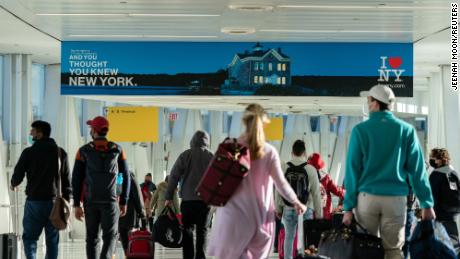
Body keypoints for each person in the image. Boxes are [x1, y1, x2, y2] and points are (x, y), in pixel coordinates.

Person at [342, 84, 436, 259]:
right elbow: (417, 171)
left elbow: (352, 171)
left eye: (369, 100)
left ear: (376, 104)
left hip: (367, 198)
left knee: (365, 248)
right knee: (393, 250)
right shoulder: (406, 130)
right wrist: (426, 203)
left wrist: (347, 207)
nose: (368, 104)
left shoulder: (360, 131)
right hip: (396, 200)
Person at [207, 103, 307, 259]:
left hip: (230, 217)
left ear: (244, 122)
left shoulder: (230, 147)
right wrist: (296, 202)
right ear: (264, 124)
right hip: (257, 219)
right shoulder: (268, 152)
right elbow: (280, 184)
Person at [72, 116, 131, 259]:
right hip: (111, 201)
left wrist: (76, 204)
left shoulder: (83, 151)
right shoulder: (117, 150)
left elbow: (76, 179)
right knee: (110, 237)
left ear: (94, 130)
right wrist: (123, 201)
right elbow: (124, 176)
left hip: (90, 201)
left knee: (92, 238)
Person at [10, 121, 71, 259]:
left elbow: (18, 175)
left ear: (40, 134)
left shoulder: (29, 152)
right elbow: (67, 180)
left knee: (30, 238)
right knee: (52, 240)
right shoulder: (60, 153)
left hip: (34, 203)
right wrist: (66, 202)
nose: (30, 133)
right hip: (54, 203)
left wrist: (13, 183)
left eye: (33, 131)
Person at [165, 130, 214, 259]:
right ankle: (200, 257)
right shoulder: (212, 156)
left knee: (187, 230)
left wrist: (168, 196)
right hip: (205, 201)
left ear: (192, 141)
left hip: (188, 200)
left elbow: (173, 176)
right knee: (202, 231)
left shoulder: (185, 155)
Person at [275, 140, 323, 259]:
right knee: (306, 239)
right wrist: (319, 214)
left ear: (292, 152)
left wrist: (278, 208)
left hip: (288, 208)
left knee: (289, 237)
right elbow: (316, 194)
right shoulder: (311, 169)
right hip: (306, 209)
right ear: (304, 153)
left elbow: (278, 190)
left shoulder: (284, 167)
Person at [429, 148, 460, 253]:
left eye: (432, 157)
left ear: (439, 160)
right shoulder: (454, 173)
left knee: (439, 246)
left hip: (439, 216)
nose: (430, 159)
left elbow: (432, 197)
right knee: (453, 243)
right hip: (453, 215)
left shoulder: (436, 175)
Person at [307, 152, 345, 220]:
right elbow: (338, 191)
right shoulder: (326, 178)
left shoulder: (306, 178)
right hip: (325, 214)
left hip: (310, 214)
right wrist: (348, 193)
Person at [119, 171, 146, 254]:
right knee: (127, 235)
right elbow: (137, 194)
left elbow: (136, 194)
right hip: (127, 210)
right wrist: (141, 212)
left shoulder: (122, 174)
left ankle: (128, 254)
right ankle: (129, 254)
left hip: (122, 210)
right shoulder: (128, 174)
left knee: (124, 235)